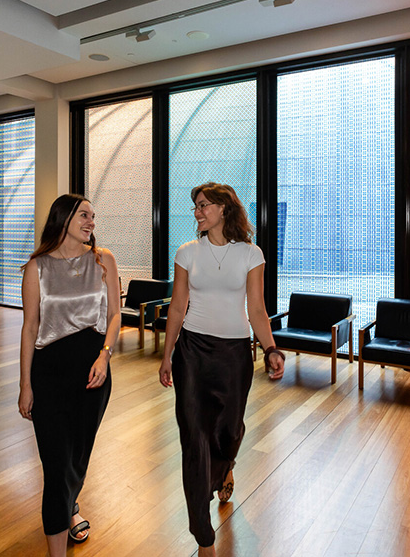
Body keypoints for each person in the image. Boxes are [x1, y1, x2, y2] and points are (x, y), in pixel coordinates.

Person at [159, 182, 286, 557]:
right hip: (192, 353)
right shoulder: (187, 253)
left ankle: (226, 466)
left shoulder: (251, 254)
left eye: (202, 205)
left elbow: (257, 309)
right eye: (195, 206)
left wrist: (271, 348)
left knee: (228, 431)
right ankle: (203, 535)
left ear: (223, 209)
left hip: (233, 355)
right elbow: (177, 308)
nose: (196, 212)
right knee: (193, 438)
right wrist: (167, 355)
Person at [18, 194, 121, 556]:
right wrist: (25, 385)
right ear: (63, 218)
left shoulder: (104, 259)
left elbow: (114, 316)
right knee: (56, 466)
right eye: (84, 215)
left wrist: (105, 356)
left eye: (94, 216)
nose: (91, 221)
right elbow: (30, 327)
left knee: (77, 457)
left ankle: (71, 506)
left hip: (92, 373)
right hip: (49, 374)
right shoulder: (38, 267)